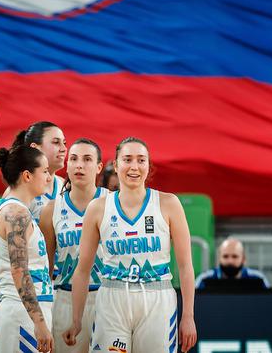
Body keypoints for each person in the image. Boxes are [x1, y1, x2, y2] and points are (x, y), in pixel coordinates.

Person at [64, 137, 197, 353]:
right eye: (127, 159)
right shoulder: (97, 208)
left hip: (158, 297)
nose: (134, 166)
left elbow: (185, 266)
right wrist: (77, 319)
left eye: (141, 160)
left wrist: (188, 317)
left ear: (148, 166)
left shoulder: (169, 203)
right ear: (116, 165)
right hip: (112, 297)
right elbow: (83, 269)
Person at [39, 138, 109, 353]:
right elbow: (46, 267)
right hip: (65, 299)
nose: (79, 165)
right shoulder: (51, 210)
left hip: (108, 298)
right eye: (74, 159)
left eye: (87, 159)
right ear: (67, 165)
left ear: (98, 167)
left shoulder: (114, 203)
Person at [0, 144, 54, 353]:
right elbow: (19, 270)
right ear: (27, 175)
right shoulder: (16, 213)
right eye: (44, 171)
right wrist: (39, 323)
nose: (49, 177)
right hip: (22, 315)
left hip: (18, 312)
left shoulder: (11, 207)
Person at [3, 121, 66, 222]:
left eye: (64, 143)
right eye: (56, 142)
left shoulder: (64, 185)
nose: (64, 148)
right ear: (35, 148)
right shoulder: (19, 189)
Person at [195, 237, 270, 289]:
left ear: (243, 259)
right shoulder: (203, 280)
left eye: (235, 256)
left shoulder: (259, 279)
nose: (230, 261)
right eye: (225, 256)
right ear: (219, 258)